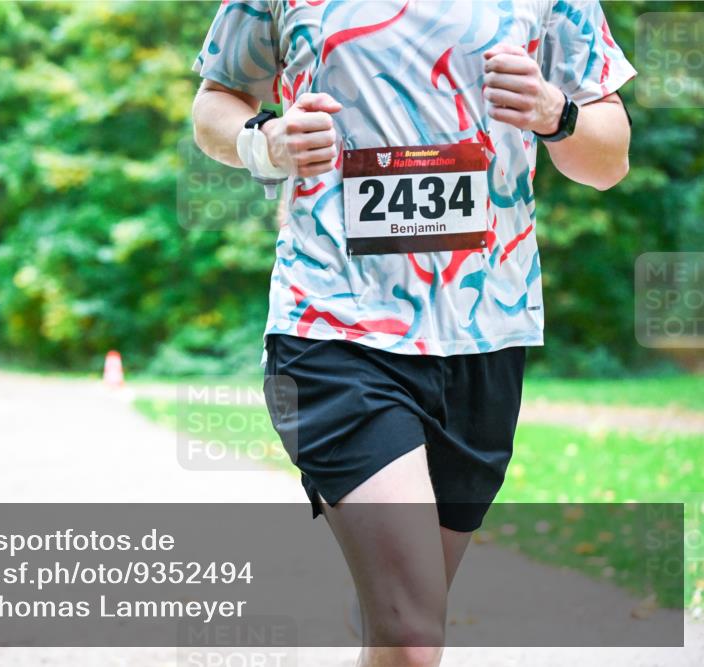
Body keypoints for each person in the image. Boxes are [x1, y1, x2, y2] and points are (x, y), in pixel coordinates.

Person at [191, 2, 634, 666]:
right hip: (332, 324)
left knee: (400, 630)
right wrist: (267, 143)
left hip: (485, 337)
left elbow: (609, 160)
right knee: (413, 636)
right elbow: (215, 102)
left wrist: (555, 112)